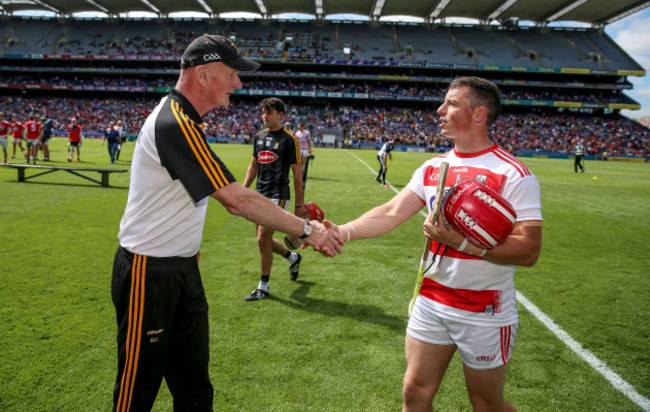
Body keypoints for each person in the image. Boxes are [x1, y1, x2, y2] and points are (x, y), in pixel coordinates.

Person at [112, 34, 343, 412]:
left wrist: (187, 250)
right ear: (202, 75)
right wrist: (307, 230)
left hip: (181, 269)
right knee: (135, 394)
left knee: (195, 389)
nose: (238, 84)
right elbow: (236, 199)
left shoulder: (186, 119)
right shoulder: (173, 122)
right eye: (232, 74)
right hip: (148, 275)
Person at [332, 77, 542, 411]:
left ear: (478, 114)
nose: (440, 110)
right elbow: (390, 211)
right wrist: (342, 231)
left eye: (452, 103)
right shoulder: (433, 166)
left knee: (486, 403)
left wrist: (462, 243)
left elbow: (529, 250)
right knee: (414, 393)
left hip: (484, 309)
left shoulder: (514, 173)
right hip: (431, 298)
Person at [242, 97, 307, 301]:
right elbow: (253, 166)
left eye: (269, 113)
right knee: (265, 241)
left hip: (278, 196)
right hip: (258, 194)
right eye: (263, 112)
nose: (264, 116)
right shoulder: (259, 137)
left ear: (280, 115)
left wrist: (298, 205)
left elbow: (298, 174)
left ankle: (264, 286)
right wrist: (243, 191)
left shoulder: (290, 139)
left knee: (262, 239)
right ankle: (293, 257)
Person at [295, 122, 313, 189]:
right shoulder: (297, 133)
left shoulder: (307, 133)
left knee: (304, 161)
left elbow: (308, 141)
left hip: (305, 148)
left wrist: (310, 149)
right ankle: (301, 171)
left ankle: (302, 171)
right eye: (298, 126)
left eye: (299, 126)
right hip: (299, 149)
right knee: (299, 161)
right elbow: (296, 142)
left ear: (302, 126)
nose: (298, 127)